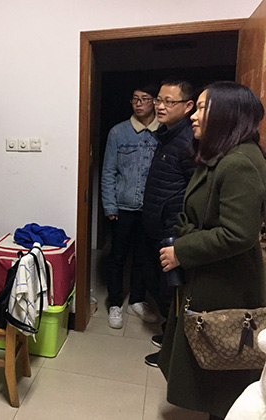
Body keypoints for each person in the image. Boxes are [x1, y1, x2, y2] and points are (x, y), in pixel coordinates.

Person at [159, 81, 266, 420]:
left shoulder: (240, 163)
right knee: (210, 361)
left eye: (203, 107)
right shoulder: (220, 156)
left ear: (227, 114)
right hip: (211, 274)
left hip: (228, 283)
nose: (194, 115)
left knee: (224, 358)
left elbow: (238, 233)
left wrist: (182, 250)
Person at [142, 78, 196, 367]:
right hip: (158, 227)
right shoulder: (168, 135)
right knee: (161, 287)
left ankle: (172, 354)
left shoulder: (189, 141)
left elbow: (193, 191)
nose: (160, 106)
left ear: (188, 106)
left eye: (169, 102)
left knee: (172, 292)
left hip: (173, 231)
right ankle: (169, 337)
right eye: (158, 100)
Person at [101, 84, 161, 329]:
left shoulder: (164, 132)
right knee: (117, 256)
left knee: (143, 257)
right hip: (123, 206)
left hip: (151, 208)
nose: (138, 103)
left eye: (144, 99)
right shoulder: (118, 132)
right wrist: (109, 206)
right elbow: (108, 171)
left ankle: (137, 300)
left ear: (154, 102)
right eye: (135, 99)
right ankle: (115, 303)